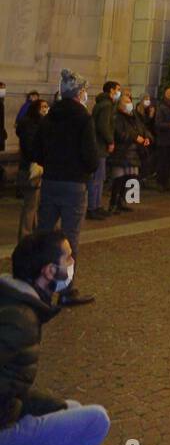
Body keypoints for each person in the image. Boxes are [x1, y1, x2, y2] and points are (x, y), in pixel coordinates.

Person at [0, 231, 110, 445]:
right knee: (95, 421)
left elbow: (12, 388)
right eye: (68, 258)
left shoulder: (13, 300)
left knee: (69, 409)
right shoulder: (19, 319)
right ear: (49, 271)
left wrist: (55, 406)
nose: (72, 264)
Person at [33, 70, 99, 307]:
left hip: (50, 182)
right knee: (70, 239)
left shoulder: (48, 117)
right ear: (79, 92)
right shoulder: (83, 118)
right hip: (74, 185)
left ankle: (38, 285)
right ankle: (65, 290)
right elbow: (91, 156)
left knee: (44, 233)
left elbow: (36, 151)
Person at [107, 91, 150, 214]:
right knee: (118, 178)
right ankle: (113, 203)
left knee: (129, 178)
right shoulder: (116, 117)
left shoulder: (134, 116)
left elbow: (142, 129)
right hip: (121, 152)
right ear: (120, 105)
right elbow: (119, 134)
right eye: (126, 102)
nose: (129, 104)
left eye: (129, 101)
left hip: (134, 152)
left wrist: (146, 138)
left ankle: (122, 201)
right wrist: (135, 137)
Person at [15, 98, 49, 241]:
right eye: (43, 107)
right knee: (31, 204)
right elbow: (31, 148)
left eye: (47, 106)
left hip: (35, 166)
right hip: (32, 168)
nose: (45, 109)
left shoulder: (39, 124)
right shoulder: (30, 126)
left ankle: (32, 234)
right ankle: (25, 236)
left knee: (35, 204)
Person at [87, 80, 120, 222]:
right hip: (100, 146)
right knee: (97, 178)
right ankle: (92, 207)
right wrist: (110, 141)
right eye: (117, 89)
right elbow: (103, 126)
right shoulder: (107, 105)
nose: (118, 92)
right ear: (111, 90)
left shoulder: (102, 104)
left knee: (100, 177)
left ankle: (97, 205)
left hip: (99, 145)